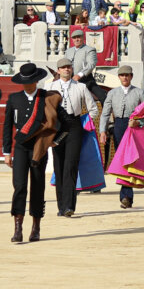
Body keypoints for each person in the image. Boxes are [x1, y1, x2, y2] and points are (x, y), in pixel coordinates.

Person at [3, 63, 61, 243]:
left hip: (39, 147)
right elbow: (7, 127)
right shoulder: (14, 99)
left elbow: (63, 122)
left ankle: (36, 228)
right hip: (20, 148)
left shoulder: (47, 97)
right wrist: (6, 152)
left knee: (37, 186)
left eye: (31, 81)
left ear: (36, 81)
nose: (27, 85)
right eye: (25, 82)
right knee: (19, 186)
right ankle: (18, 228)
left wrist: (55, 140)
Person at [48, 56, 98, 217]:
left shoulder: (81, 87)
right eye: (63, 67)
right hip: (56, 127)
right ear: (58, 70)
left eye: (69, 67)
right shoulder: (49, 86)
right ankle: (61, 206)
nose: (67, 69)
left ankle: (69, 206)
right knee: (59, 165)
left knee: (71, 165)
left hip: (75, 126)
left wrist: (86, 123)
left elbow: (93, 109)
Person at [99, 64, 144, 209]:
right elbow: (105, 113)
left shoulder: (140, 93)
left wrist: (139, 122)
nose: (125, 77)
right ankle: (127, 196)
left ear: (131, 77)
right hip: (119, 127)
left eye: (127, 75)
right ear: (119, 77)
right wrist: (102, 131)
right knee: (123, 161)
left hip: (134, 129)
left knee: (131, 162)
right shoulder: (112, 93)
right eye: (122, 75)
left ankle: (126, 196)